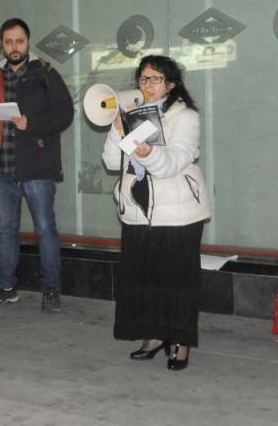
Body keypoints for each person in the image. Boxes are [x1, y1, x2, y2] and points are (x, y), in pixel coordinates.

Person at [102, 55, 211, 371]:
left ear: (171, 84)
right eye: (143, 78)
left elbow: (172, 163)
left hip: (178, 213)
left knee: (177, 280)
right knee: (144, 277)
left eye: (155, 79)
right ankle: (153, 336)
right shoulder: (133, 113)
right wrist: (117, 130)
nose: (148, 85)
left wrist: (147, 152)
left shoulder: (185, 117)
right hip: (138, 210)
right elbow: (112, 162)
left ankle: (180, 341)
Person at [0, 18, 74, 311]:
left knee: (45, 229)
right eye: (8, 42)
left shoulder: (45, 73)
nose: (14, 47)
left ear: (28, 42)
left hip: (37, 167)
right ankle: (6, 288)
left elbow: (65, 113)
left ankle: (51, 290)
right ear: (2, 45)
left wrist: (33, 123)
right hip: (2, 167)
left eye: (19, 41)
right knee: (7, 231)